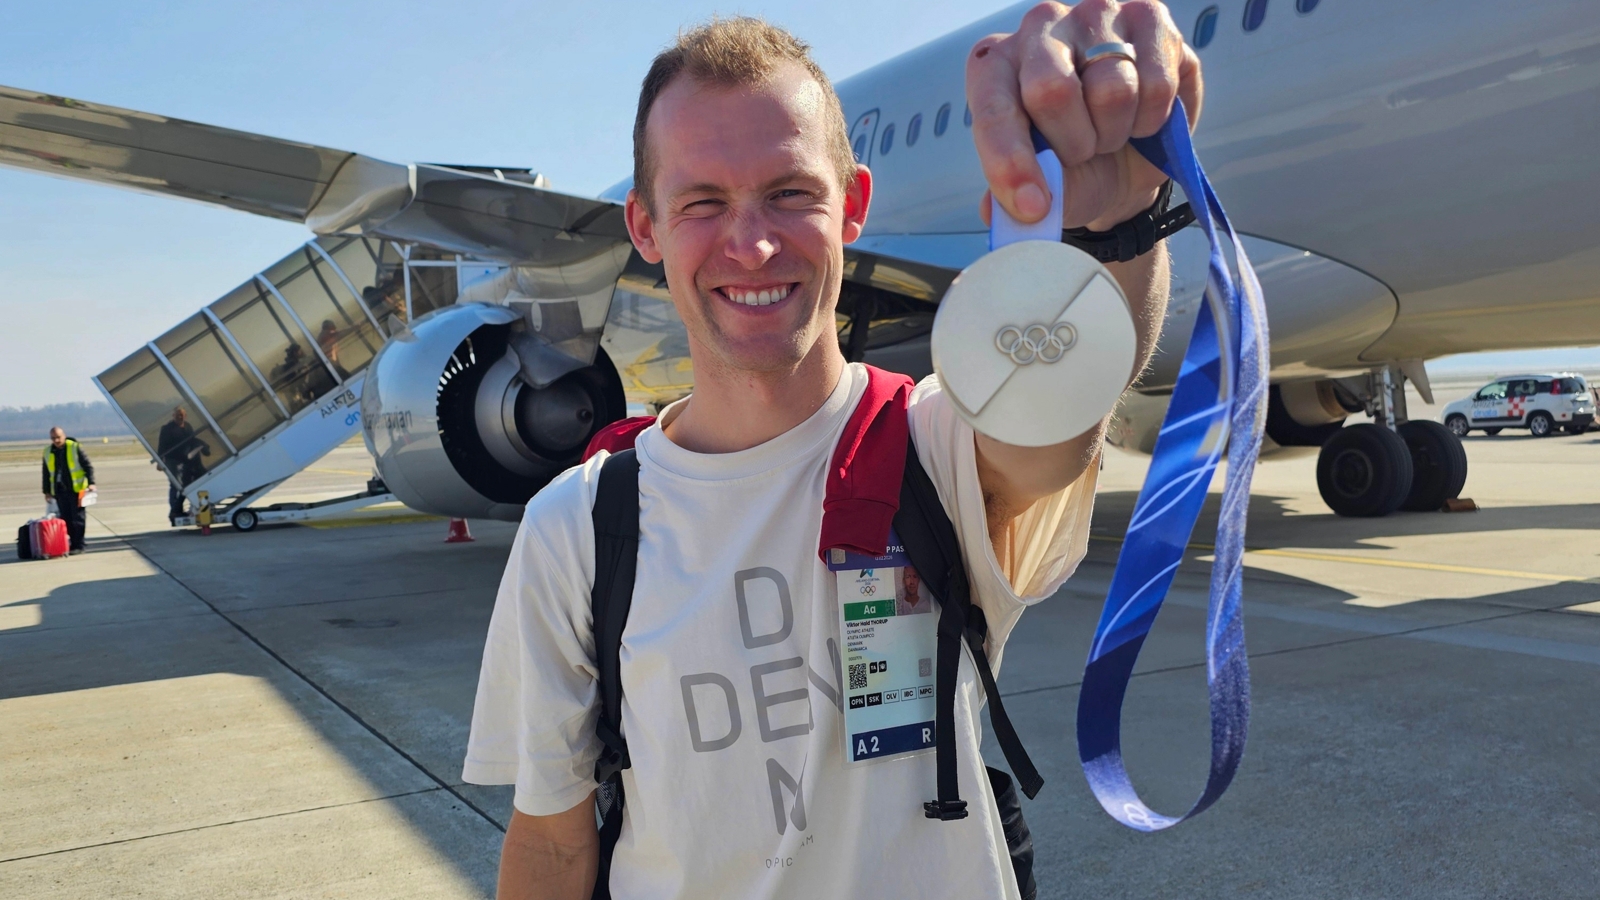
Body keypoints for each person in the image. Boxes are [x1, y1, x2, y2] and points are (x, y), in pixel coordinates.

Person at [464, 6, 1200, 898]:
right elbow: (551, 842)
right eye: (703, 201)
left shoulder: (934, 447)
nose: (754, 243)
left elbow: (1054, 416)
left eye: (789, 192)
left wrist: (1111, 223)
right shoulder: (575, 528)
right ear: (647, 228)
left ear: (851, 203)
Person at [41, 427, 95, 555]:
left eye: (58, 437)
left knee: (78, 518)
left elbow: (87, 466)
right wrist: (47, 491)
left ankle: (79, 544)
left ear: (64, 435)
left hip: (77, 489)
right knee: (65, 519)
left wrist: (92, 483)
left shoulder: (74, 447)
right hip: (60, 490)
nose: (56, 440)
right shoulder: (48, 452)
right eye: (53, 438)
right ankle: (71, 543)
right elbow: (46, 473)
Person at [156, 407, 209, 521]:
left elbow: (192, 440)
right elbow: (161, 446)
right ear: (173, 416)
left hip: (185, 460)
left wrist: (203, 446)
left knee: (187, 484)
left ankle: (179, 508)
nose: (180, 417)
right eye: (177, 415)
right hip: (172, 460)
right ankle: (175, 511)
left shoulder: (188, 426)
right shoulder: (167, 429)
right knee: (175, 485)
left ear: (185, 416)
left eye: (182, 415)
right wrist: (160, 461)